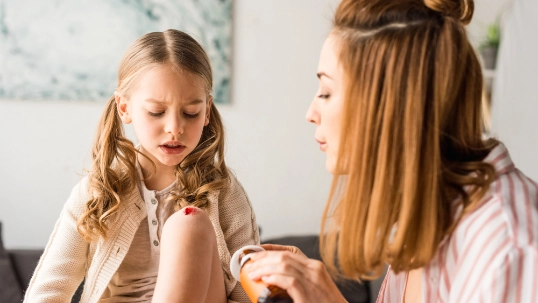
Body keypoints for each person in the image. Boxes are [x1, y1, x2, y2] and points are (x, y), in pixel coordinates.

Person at [245, 0, 538, 302]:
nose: (310, 112)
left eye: (326, 92)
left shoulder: (507, 247)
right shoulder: (425, 215)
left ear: (388, 107)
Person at [24, 29, 259, 303]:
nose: (175, 128)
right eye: (157, 112)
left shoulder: (223, 191)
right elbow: (48, 291)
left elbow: (251, 293)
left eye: (191, 113)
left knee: (189, 224)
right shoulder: (97, 191)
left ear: (207, 111)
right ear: (125, 108)